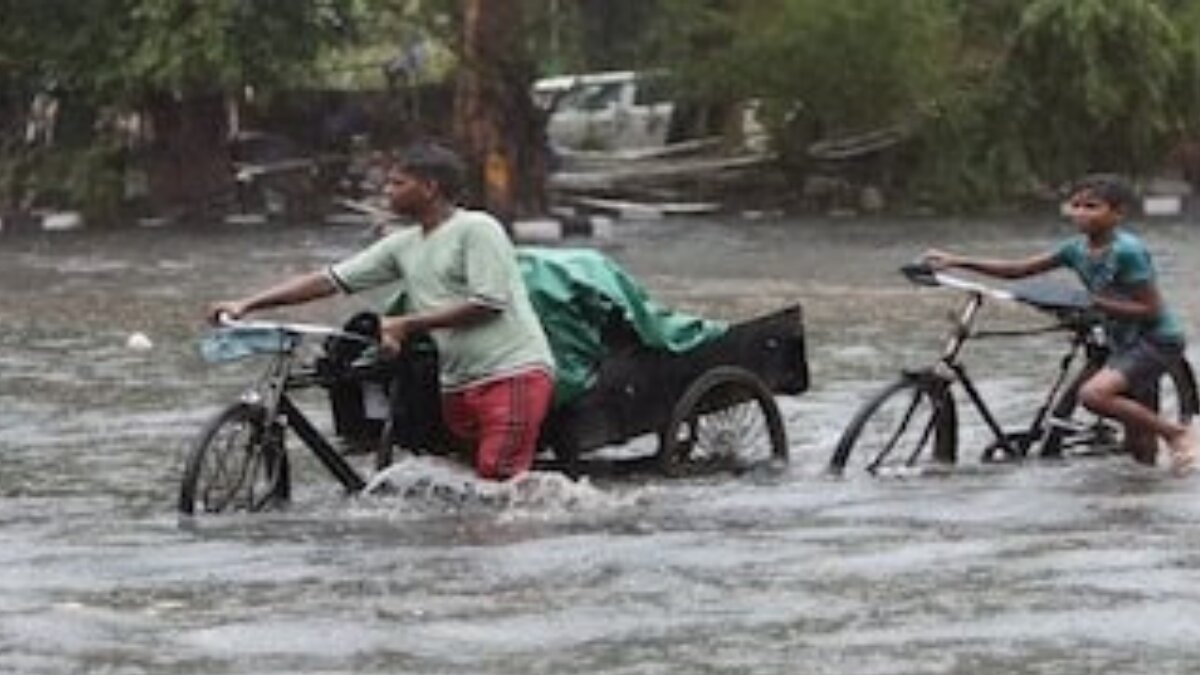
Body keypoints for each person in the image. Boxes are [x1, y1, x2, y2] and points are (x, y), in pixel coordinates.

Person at [207, 143, 556, 481]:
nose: (386, 191)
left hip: (511, 372)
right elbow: (329, 280)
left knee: (498, 476)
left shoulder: (477, 229)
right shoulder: (403, 244)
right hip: (456, 381)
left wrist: (405, 324)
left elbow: (489, 303)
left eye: (397, 183)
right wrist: (247, 304)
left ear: (430, 187)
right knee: (463, 482)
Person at [923, 173, 1198, 474]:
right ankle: (1141, 503)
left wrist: (1094, 303)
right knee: (1138, 444)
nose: (1081, 213)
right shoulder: (1075, 250)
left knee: (1094, 395)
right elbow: (1019, 269)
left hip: (1155, 340)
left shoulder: (1127, 252)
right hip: (1118, 340)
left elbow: (1149, 308)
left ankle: (1175, 434)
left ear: (1118, 213)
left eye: (1092, 206)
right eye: (1075, 205)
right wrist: (958, 261)